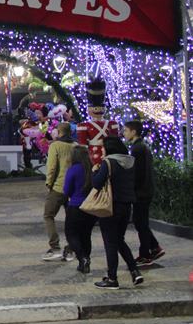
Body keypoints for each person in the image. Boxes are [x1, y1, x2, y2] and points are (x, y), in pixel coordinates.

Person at [92, 136, 143, 289]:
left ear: (109, 148)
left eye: (103, 147)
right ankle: (135, 271)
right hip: (127, 206)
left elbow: (96, 183)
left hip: (110, 206)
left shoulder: (108, 162)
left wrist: (95, 171)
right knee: (119, 240)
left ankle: (112, 278)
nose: (102, 150)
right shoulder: (131, 162)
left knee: (110, 242)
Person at [123, 121, 165, 267]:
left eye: (126, 130)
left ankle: (147, 253)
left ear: (134, 132)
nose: (124, 133)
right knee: (141, 222)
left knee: (140, 222)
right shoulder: (141, 147)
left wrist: (131, 189)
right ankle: (152, 248)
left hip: (141, 192)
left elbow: (137, 173)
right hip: (145, 190)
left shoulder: (137, 149)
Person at [42, 122, 76, 262]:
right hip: (73, 189)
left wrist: (49, 183)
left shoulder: (55, 146)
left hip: (58, 187)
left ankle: (55, 247)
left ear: (59, 132)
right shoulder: (76, 146)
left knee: (48, 215)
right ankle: (71, 249)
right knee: (71, 219)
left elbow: (51, 167)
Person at [63, 145, 96, 274]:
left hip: (76, 206)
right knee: (86, 235)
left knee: (71, 234)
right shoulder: (92, 169)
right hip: (91, 208)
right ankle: (86, 260)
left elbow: (67, 190)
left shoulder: (74, 169)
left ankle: (82, 258)